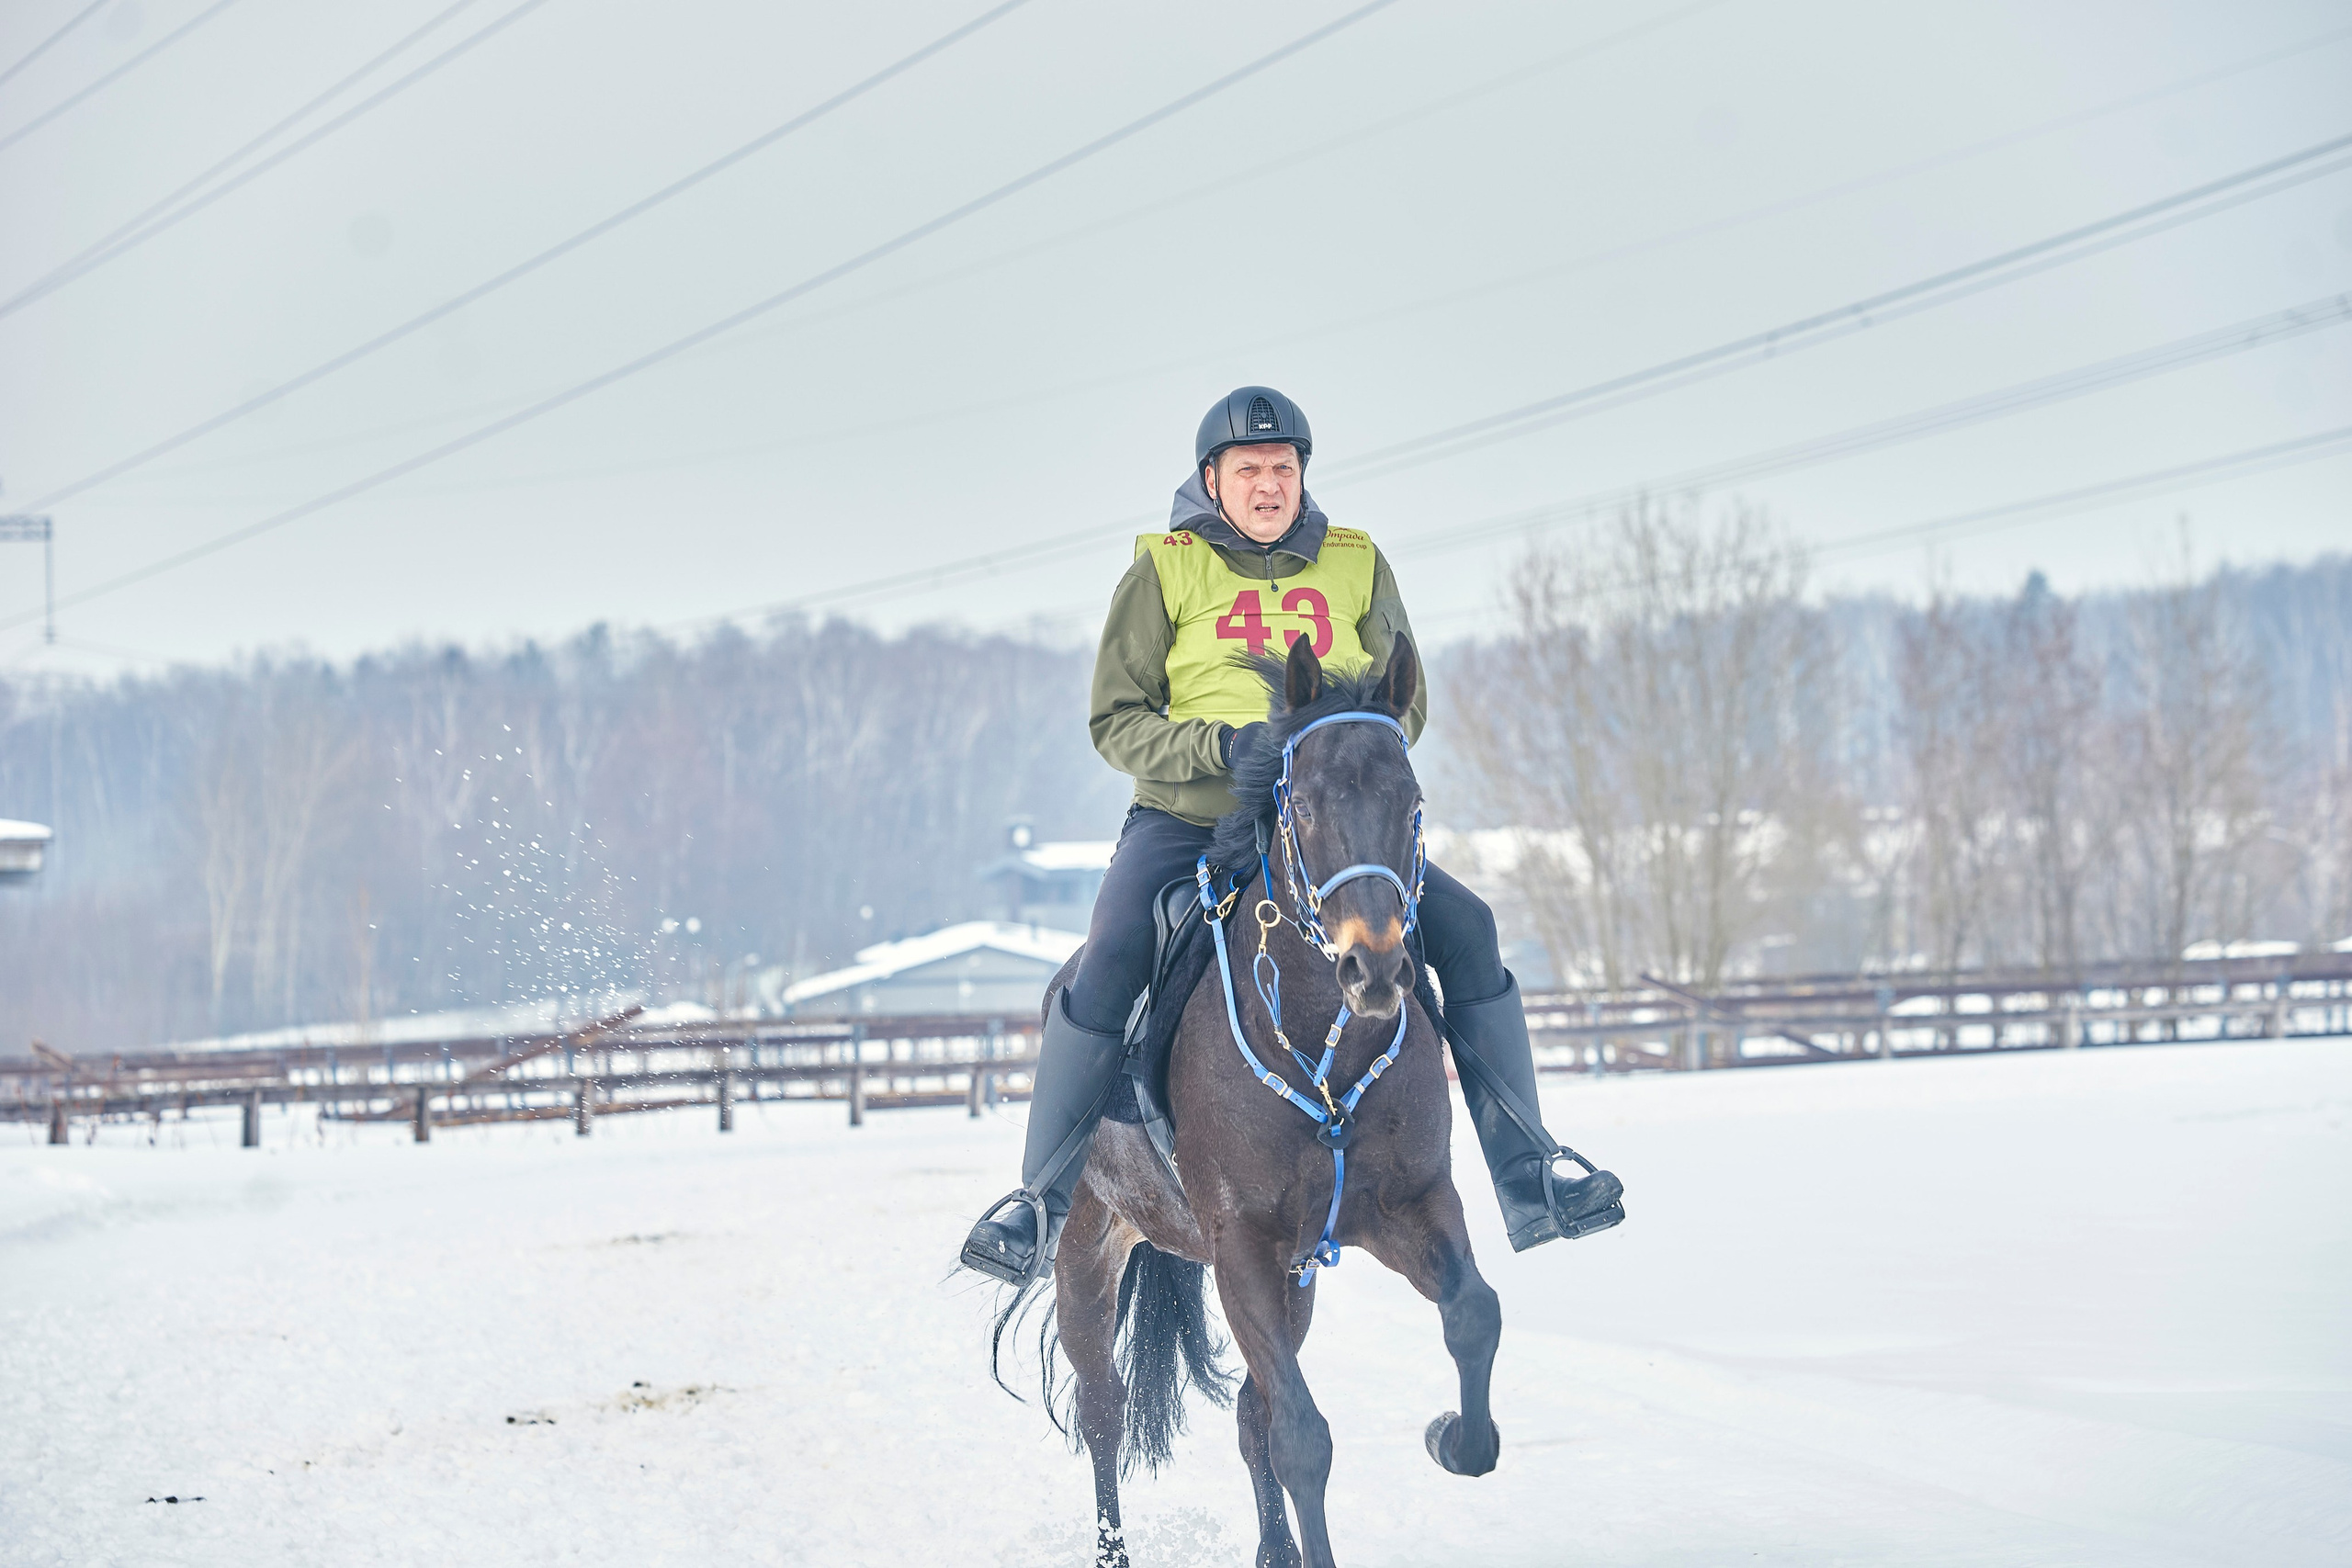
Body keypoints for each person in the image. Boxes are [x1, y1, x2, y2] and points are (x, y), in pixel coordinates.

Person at [961, 387, 1623, 1287]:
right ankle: (1038, 1203)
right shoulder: (1163, 570)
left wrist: (1325, 758)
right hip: (1190, 818)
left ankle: (1529, 1173)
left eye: (1283, 468)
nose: (1268, 485)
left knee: (1469, 927)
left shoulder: (1357, 562)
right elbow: (1115, 721)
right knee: (1110, 950)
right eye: (1248, 470)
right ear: (1212, 481)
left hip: (1330, 826)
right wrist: (1223, 747)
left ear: (1302, 475)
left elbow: (1404, 703)